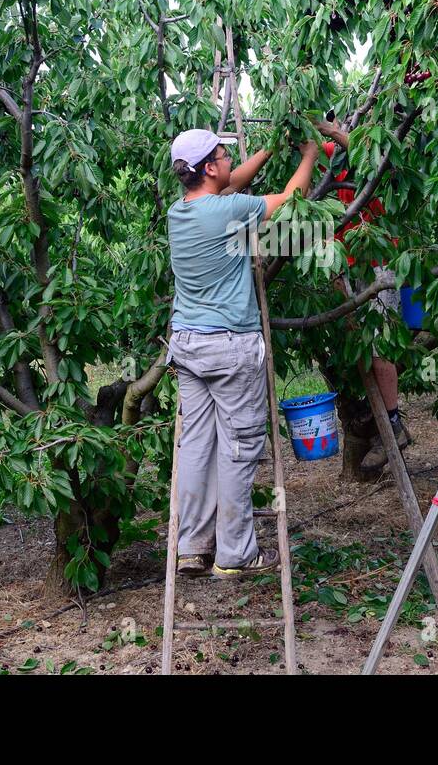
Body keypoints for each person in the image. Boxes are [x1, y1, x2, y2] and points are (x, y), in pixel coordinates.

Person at [167, 129, 319, 579]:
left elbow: (231, 185)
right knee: (239, 447)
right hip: (230, 346)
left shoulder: (181, 211)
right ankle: (235, 554)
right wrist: (308, 154)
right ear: (209, 168)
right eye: (223, 154)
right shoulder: (230, 211)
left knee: (196, 445)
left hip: (189, 345)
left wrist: (270, 147)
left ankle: (192, 545)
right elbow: (292, 199)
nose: (231, 157)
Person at [316, 124, 411, 472]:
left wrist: (328, 127)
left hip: (378, 265)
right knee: (360, 351)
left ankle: (394, 424)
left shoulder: (377, 159)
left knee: (380, 349)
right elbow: (311, 146)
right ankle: (379, 425)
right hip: (347, 267)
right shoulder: (337, 158)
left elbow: (366, 147)